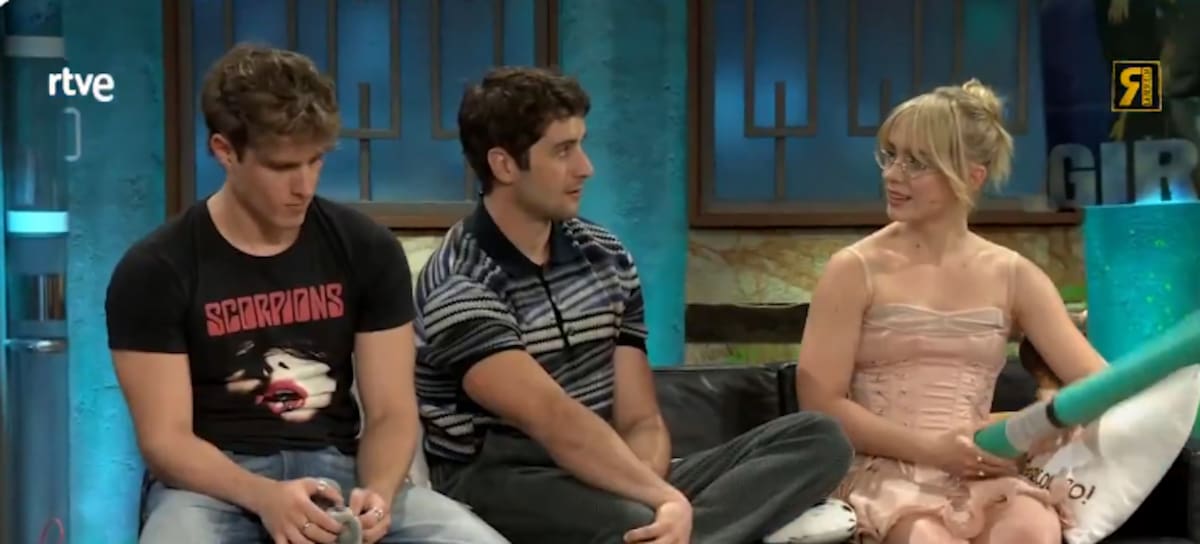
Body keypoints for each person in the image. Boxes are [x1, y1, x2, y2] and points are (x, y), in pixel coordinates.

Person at [411, 65, 854, 544]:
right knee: (631, 520)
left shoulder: (605, 256)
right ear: (503, 166)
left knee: (820, 438)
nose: (586, 167)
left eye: (581, 145)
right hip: (502, 476)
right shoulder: (460, 281)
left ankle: (671, 531)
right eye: (563, 150)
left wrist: (651, 490)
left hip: (606, 463)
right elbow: (552, 418)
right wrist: (659, 500)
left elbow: (640, 419)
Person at [105, 43, 507, 544]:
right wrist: (264, 497)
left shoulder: (366, 248)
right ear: (225, 152)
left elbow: (391, 412)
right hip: (213, 485)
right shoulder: (156, 269)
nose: (304, 185)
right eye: (281, 167)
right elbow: (166, 442)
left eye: (315, 161)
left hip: (339, 473)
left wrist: (378, 494)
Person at [794, 79, 1108, 544]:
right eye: (890, 155)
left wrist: (1038, 418)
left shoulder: (1013, 274)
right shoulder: (853, 269)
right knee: (927, 537)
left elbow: (1099, 385)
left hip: (981, 467)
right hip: (884, 468)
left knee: (1032, 528)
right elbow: (821, 406)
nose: (893, 174)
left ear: (972, 176)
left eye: (917, 162)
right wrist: (934, 451)